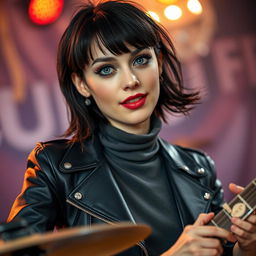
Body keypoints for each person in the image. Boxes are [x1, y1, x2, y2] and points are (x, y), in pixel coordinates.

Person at [6, 0, 256, 255]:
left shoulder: (199, 168)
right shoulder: (53, 166)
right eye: (106, 69)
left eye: (140, 60)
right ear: (82, 84)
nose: (131, 81)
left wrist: (245, 249)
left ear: (158, 62)